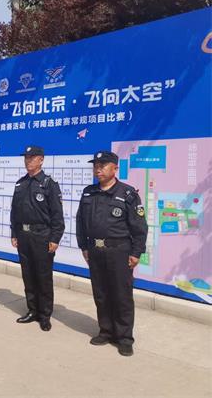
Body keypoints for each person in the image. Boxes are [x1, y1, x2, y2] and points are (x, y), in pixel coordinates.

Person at [76, 150, 148, 357]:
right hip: (95, 251)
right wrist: (84, 247)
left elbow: (139, 227)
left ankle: (124, 338)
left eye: (103, 165)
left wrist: (136, 252)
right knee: (101, 293)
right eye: (96, 166)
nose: (98, 169)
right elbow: (80, 222)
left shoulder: (128, 194)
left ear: (115, 168)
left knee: (121, 295)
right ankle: (106, 331)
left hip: (119, 251)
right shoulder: (89, 192)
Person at [10, 146, 65, 331]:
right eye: (26, 158)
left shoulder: (49, 184)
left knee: (43, 276)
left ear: (41, 160)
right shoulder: (20, 183)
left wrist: (55, 238)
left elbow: (57, 215)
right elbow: (14, 212)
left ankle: (45, 315)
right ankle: (32, 310)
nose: (28, 161)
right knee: (28, 274)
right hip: (23, 236)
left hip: (42, 236)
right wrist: (14, 233)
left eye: (32, 158)